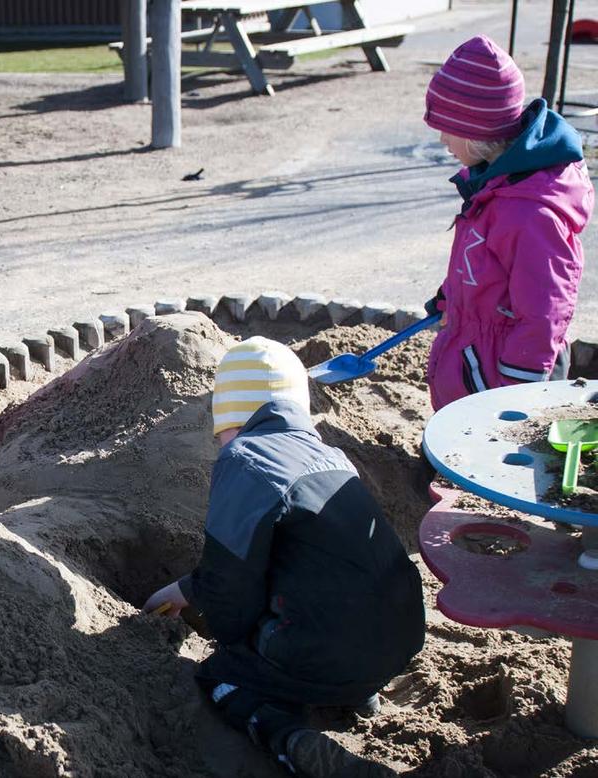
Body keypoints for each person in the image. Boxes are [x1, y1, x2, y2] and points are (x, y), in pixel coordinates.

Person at [144, 337, 425, 778]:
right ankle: (353, 694)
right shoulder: (331, 456)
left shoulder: (244, 458)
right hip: (399, 642)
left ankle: (291, 742)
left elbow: (230, 599)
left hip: (327, 648)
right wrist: (184, 588)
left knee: (220, 676)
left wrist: (221, 629)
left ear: (229, 414)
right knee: (326, 606)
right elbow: (308, 559)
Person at [423, 35, 593, 411]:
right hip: (476, 360)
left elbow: (545, 312)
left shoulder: (531, 214)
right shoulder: (491, 187)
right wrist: (451, 296)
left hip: (507, 379)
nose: (441, 138)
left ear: (477, 131)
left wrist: (515, 392)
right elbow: (485, 265)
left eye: (448, 128)